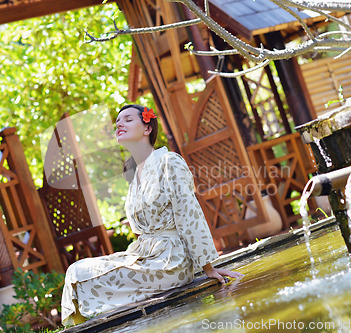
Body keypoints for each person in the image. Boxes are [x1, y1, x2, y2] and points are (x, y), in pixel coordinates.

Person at [61, 104, 243, 326]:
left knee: (82, 277)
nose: (119, 124)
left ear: (147, 128)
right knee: (75, 272)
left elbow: (189, 213)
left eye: (128, 119)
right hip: (146, 255)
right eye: (118, 121)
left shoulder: (169, 162)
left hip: (171, 261)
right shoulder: (133, 174)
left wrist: (207, 267)